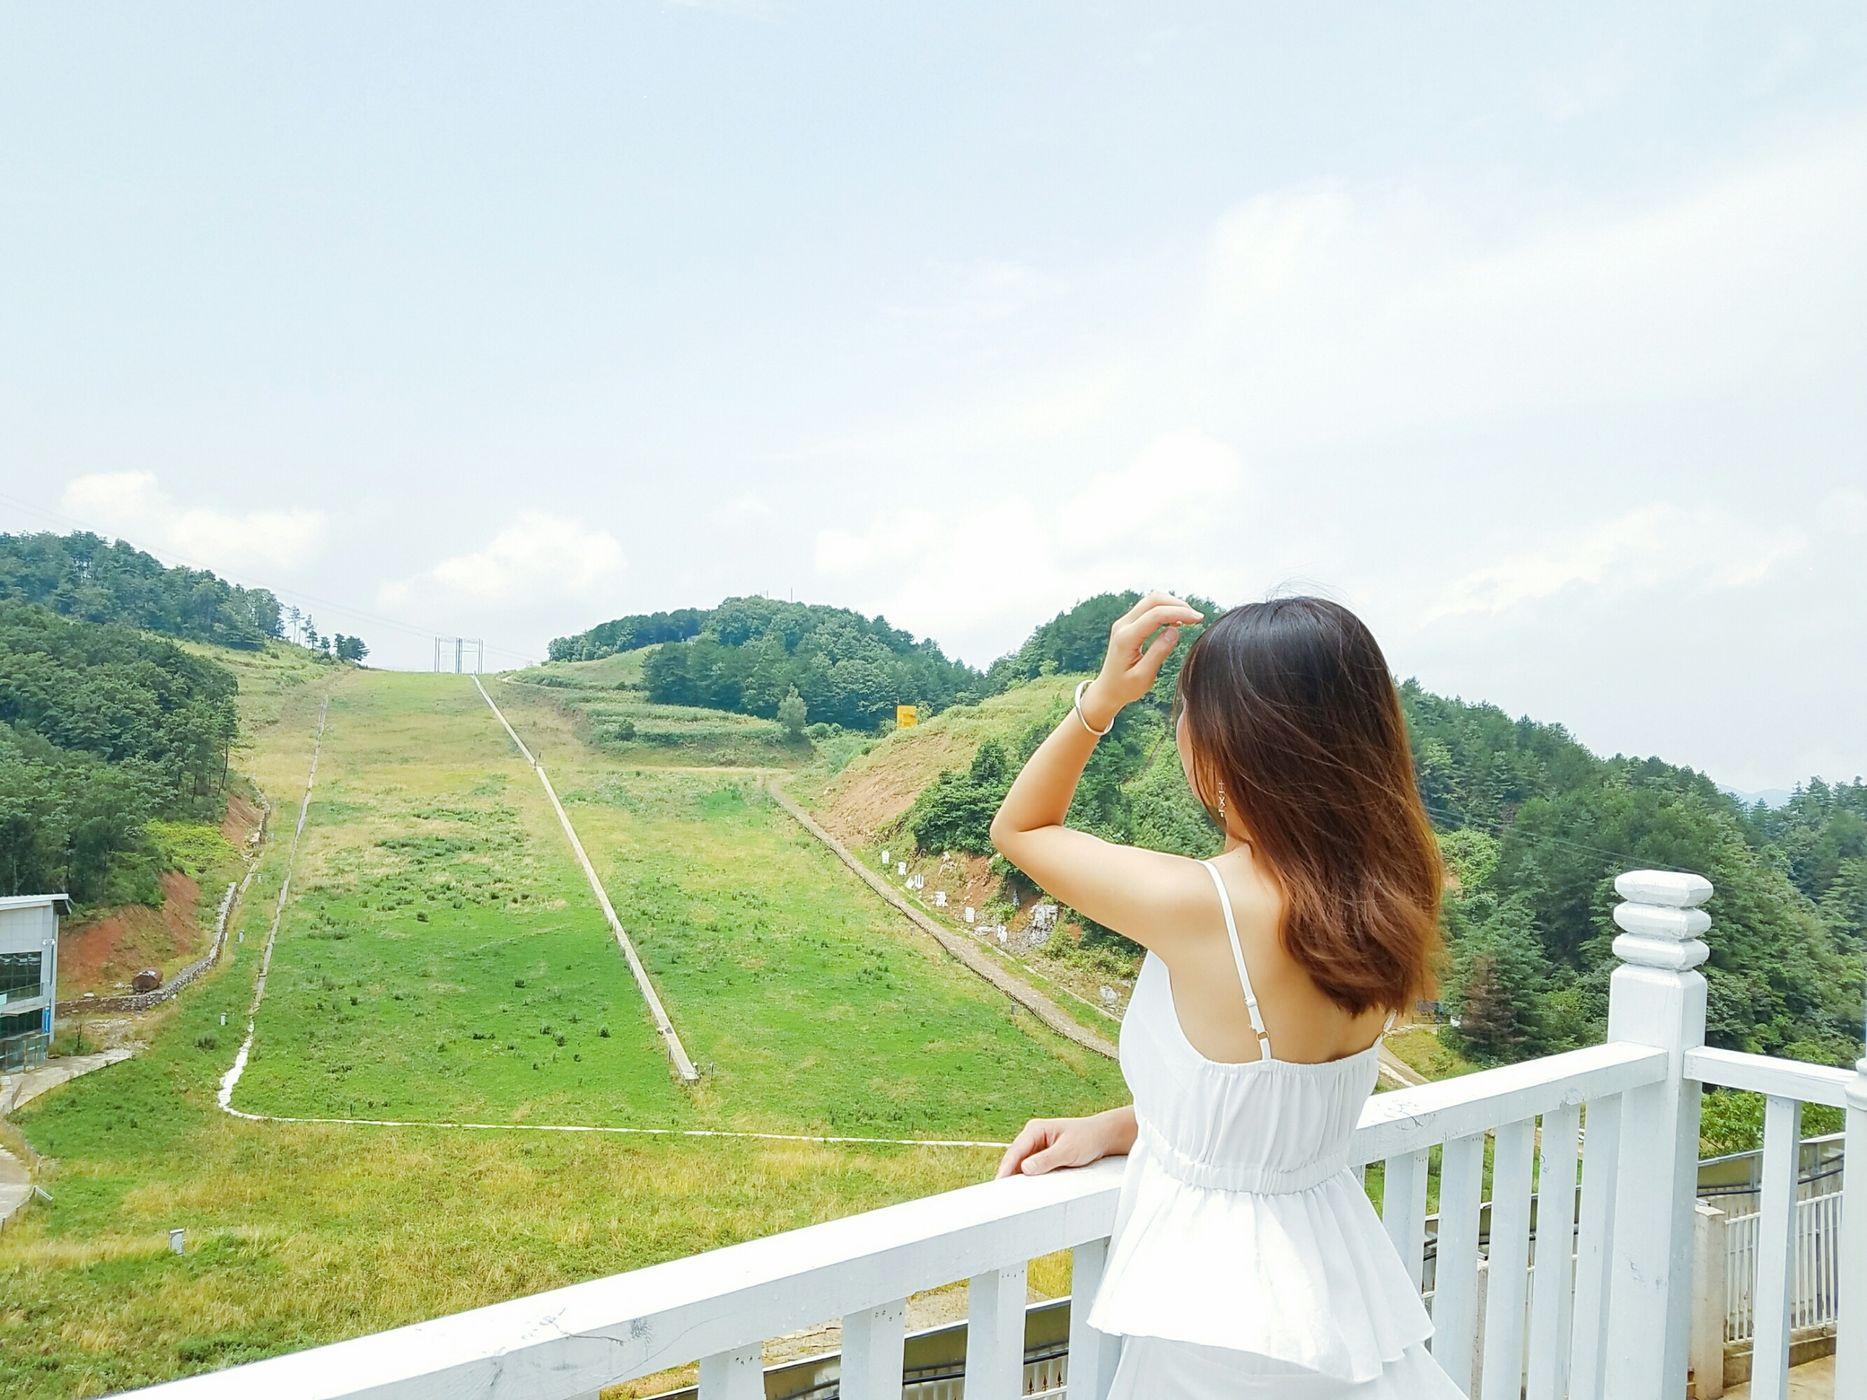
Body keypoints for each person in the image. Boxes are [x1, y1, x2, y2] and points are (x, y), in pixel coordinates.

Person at [990, 592, 1463, 1398]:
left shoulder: (1203, 904)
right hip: (1324, 1285)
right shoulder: (1393, 891)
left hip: (1218, 1317)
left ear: (1225, 744)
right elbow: (1272, 1103)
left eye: (1184, 711)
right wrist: (1123, 1126)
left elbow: (1021, 830)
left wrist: (1099, 701)